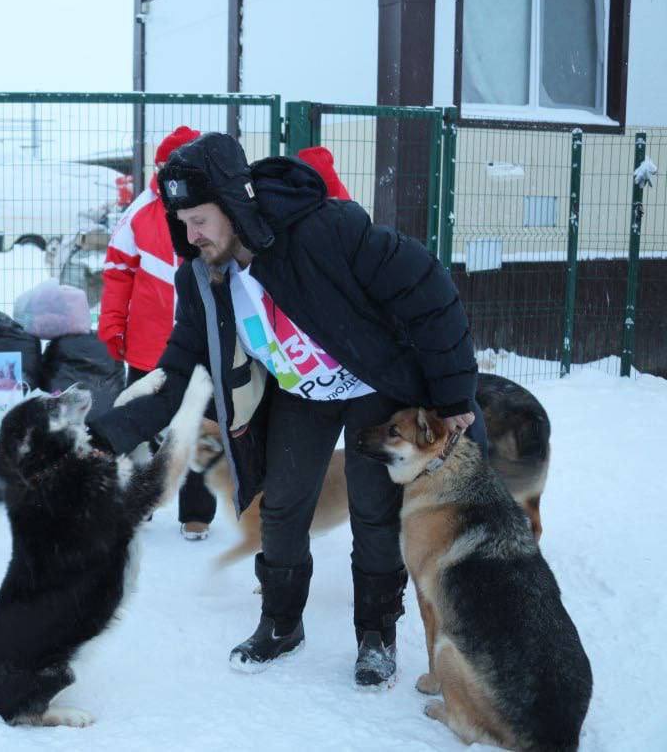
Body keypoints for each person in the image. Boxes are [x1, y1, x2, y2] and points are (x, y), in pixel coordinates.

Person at [86, 133, 485, 688]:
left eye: (199, 219)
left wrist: (453, 394)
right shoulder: (203, 277)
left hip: (374, 386)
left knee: (372, 512)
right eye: (182, 222)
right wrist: (104, 436)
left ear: (233, 204)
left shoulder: (326, 231)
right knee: (282, 508)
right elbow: (177, 372)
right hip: (303, 394)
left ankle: (376, 636)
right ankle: (280, 623)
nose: (189, 234)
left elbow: (427, 287)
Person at [99, 125, 218, 541]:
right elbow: (117, 272)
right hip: (149, 346)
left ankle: (196, 510)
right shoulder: (140, 212)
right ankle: (141, 499)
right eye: (169, 164)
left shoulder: (214, 209)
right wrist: (112, 322)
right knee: (140, 427)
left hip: (202, 345)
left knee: (200, 423)